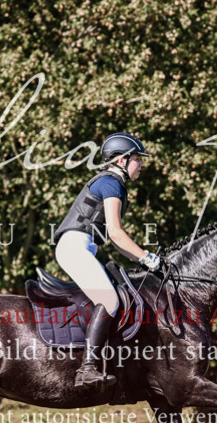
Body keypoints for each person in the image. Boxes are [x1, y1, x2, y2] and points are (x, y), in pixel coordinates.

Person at [55, 132, 162, 390]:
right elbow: (115, 233)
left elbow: (116, 241)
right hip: (74, 247)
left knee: (116, 295)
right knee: (110, 300)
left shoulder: (113, 183)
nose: (142, 164)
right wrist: (147, 257)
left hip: (82, 247)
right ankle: (87, 369)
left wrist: (142, 259)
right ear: (123, 160)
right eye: (138, 159)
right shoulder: (111, 183)